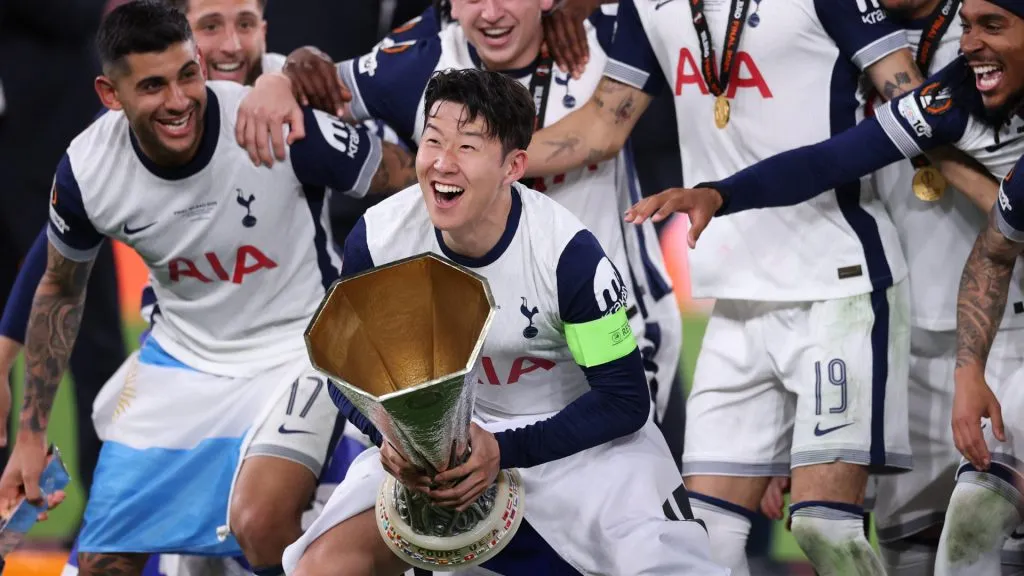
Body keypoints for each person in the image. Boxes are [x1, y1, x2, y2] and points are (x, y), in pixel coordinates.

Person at [478, 0, 940, 573]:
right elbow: (602, 124)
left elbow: (920, 107)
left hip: (837, 284)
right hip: (734, 296)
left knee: (827, 529)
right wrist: (482, 163)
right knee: (704, 541)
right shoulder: (650, 6)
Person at [0, 3, 416, 576]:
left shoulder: (274, 117)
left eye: (186, 76)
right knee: (103, 563)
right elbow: (58, 285)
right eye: (152, 86)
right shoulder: (90, 168)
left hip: (298, 349)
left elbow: (403, 174)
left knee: (262, 524)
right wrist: (30, 433)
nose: (177, 101)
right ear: (109, 94)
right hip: (181, 362)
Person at [623, 1, 1024, 572]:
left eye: (991, 26)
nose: (972, 41)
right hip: (926, 334)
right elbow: (830, 160)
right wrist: (722, 193)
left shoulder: (896, 42)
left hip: (985, 331)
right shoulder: (947, 90)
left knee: (977, 528)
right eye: (971, 28)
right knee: (920, 549)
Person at [282, 66, 723, 576]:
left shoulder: (568, 256)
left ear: (514, 166)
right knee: (325, 566)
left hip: (576, 444)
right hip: (437, 448)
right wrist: (388, 434)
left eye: (468, 148)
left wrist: (504, 449)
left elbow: (625, 400)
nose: (443, 164)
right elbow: (345, 377)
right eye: (432, 142)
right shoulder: (379, 239)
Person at [235, 0, 687, 464]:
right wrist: (280, 79)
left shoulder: (601, 30)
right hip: (472, 348)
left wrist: (468, 168)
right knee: (463, 500)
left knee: (615, 480)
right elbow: (313, 86)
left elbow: (607, 122)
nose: (491, 13)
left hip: (611, 316)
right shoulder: (415, 59)